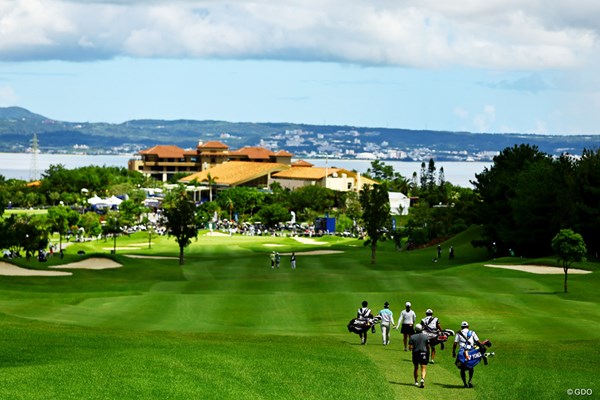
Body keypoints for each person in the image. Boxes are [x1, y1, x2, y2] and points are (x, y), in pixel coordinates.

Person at [452, 321, 481, 388]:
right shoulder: (472, 332)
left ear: (461, 327)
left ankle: (465, 384)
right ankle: (470, 380)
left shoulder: (458, 333)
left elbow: (455, 343)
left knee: (462, 368)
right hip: (471, 351)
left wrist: (453, 352)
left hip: (462, 352)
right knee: (471, 366)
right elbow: (478, 342)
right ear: (468, 326)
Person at [409, 323, 430, 388]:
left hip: (415, 353)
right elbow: (428, 346)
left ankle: (416, 381)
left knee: (416, 367)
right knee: (423, 368)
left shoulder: (412, 337)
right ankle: (422, 379)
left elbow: (410, 347)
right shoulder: (426, 336)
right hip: (424, 353)